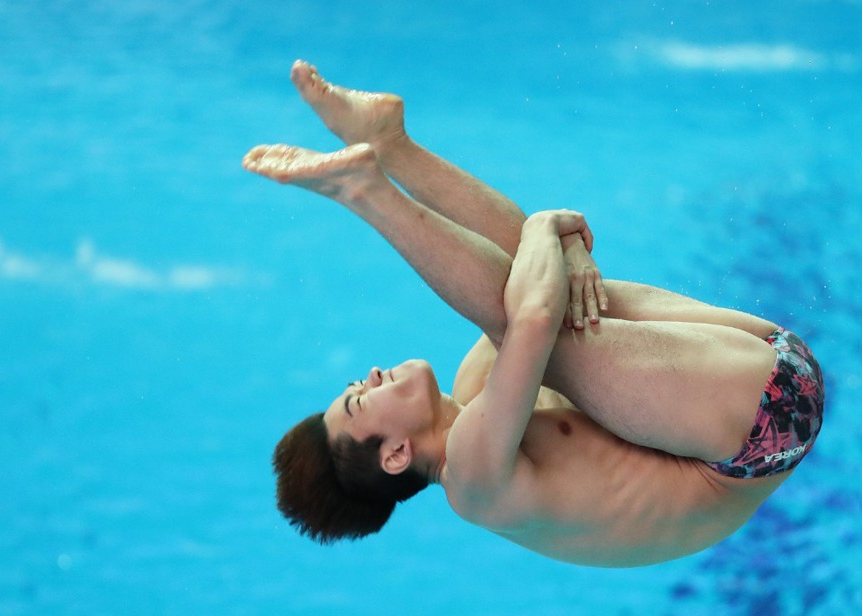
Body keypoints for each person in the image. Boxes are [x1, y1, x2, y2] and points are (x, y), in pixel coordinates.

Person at [242, 61, 825, 567]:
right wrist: (551, 227)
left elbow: (532, 281)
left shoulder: (476, 389)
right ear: (395, 455)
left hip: (763, 361)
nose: (367, 377)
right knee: (522, 314)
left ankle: (391, 144)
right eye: (357, 401)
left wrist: (556, 244)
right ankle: (366, 191)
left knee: (523, 289)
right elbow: (534, 315)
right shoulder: (473, 484)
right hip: (764, 428)